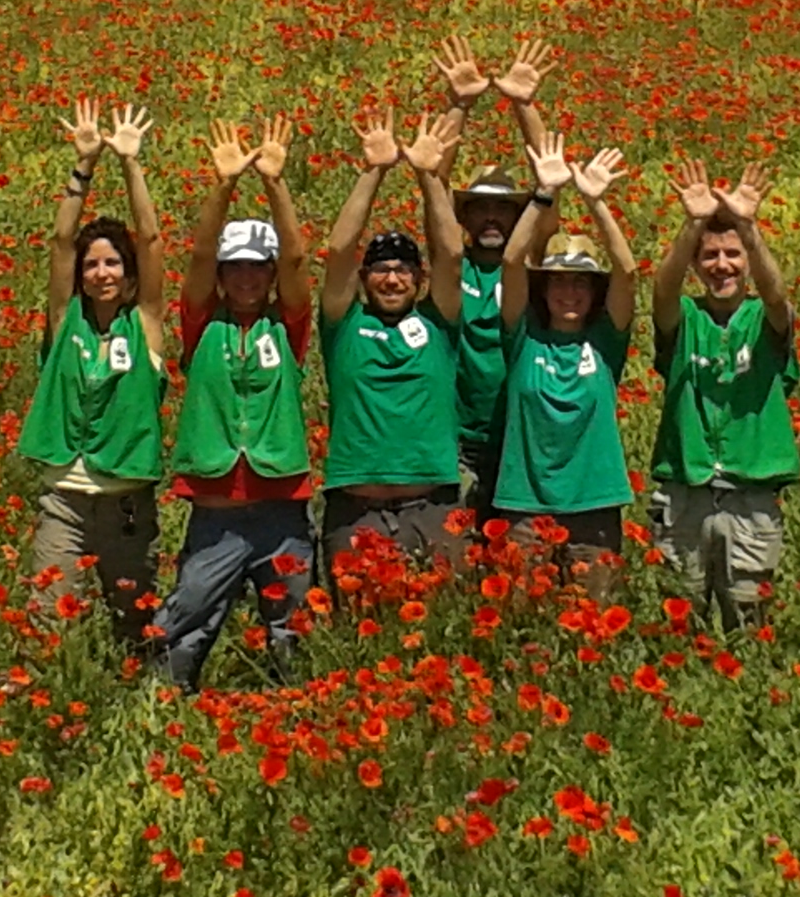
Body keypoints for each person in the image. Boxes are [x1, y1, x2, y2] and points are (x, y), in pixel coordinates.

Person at [152, 117, 312, 688]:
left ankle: (295, 710)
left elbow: (298, 265)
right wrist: (222, 186)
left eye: (256, 268)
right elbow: (194, 261)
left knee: (293, 624)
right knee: (190, 614)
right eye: (235, 268)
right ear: (223, 274)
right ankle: (166, 706)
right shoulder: (203, 324)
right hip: (216, 509)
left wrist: (275, 183)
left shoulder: (286, 325)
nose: (246, 278)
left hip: (282, 503)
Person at [16, 98, 168, 652]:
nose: (101, 273)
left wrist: (130, 162)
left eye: (112, 264)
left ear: (129, 278)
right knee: (46, 622)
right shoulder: (65, 323)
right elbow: (59, 243)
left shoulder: (146, 326)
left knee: (136, 619)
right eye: (92, 264)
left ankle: (139, 708)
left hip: (127, 499)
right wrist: (83, 166)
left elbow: (151, 243)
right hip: (65, 499)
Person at [317, 108, 470, 571]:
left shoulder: (439, 323)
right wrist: (374, 172)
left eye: (403, 270)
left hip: (434, 506)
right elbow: (339, 250)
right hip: (356, 509)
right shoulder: (344, 325)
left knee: (444, 626)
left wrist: (428, 177)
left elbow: (452, 252)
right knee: (357, 633)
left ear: (419, 280)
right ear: (365, 280)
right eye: (381, 269)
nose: (391, 279)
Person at [649, 157, 799, 627]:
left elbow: (778, 298)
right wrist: (692, 224)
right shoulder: (684, 319)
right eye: (710, 256)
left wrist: (749, 230)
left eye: (733, 255)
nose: (722, 265)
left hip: (749, 495)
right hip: (685, 492)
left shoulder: (764, 319)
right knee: (678, 617)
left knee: (749, 620)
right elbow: (662, 292)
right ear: (696, 264)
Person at [493, 130, 638, 598]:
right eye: (558, 281)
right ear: (544, 289)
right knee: (521, 626)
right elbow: (512, 261)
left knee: (592, 626)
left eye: (581, 282)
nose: (569, 292)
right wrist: (544, 194)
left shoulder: (604, 343)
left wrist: (596, 203)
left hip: (594, 508)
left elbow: (628, 271)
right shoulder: (523, 339)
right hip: (524, 508)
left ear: (594, 292)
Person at [429, 36, 555, 509]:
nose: (491, 219)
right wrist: (459, 105)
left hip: (520, 436)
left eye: (503, 211)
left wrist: (525, 107)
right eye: (479, 209)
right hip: (455, 440)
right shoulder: (450, 265)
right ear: (462, 217)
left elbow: (550, 177)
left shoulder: (532, 266)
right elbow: (433, 181)